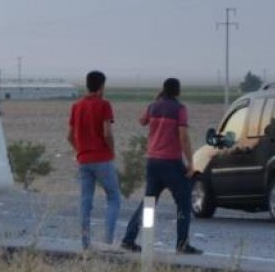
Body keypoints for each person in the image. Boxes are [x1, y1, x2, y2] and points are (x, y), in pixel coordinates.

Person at [120, 77, 202, 255]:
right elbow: (183, 137)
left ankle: (129, 239)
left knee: (148, 202)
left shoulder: (154, 106)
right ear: (178, 91)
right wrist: (190, 163)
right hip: (171, 162)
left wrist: (156, 103)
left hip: (153, 162)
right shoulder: (179, 109)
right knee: (184, 203)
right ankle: (182, 244)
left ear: (163, 89)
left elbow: (142, 120)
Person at [67, 70, 122, 250]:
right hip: (102, 158)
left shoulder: (76, 106)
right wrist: (111, 151)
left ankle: (85, 243)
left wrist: (80, 151)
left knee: (85, 200)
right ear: (101, 86)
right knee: (113, 197)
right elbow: (107, 133)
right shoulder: (104, 105)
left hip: (83, 159)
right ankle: (107, 241)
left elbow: (69, 136)